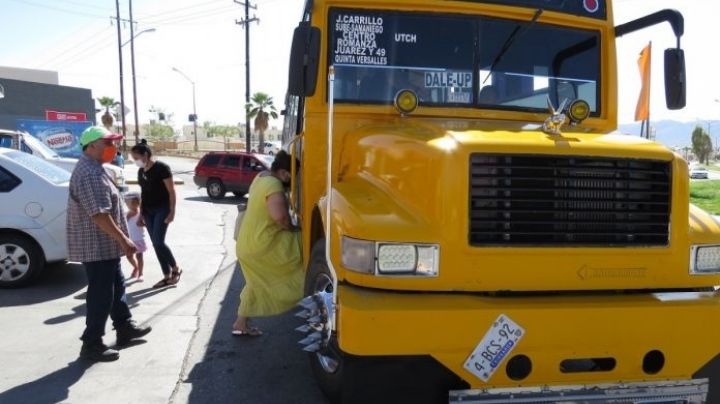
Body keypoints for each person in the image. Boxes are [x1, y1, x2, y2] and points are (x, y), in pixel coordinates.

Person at [67, 126, 151, 362]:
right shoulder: (90, 174)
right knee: (101, 295)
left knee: (117, 287)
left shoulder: (96, 168)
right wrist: (124, 239)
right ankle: (91, 343)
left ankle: (124, 327)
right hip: (97, 245)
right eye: (108, 143)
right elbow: (99, 214)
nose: (113, 148)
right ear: (92, 145)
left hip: (105, 245)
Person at [233, 150, 304, 336]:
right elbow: (280, 218)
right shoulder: (274, 184)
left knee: (255, 283)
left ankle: (241, 323)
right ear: (284, 173)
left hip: (246, 244)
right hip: (261, 245)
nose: (292, 181)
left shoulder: (261, 177)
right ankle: (314, 290)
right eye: (293, 176)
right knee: (304, 247)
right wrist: (295, 229)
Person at [130, 139, 181, 289]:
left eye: (136, 158)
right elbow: (143, 193)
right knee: (155, 244)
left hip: (162, 209)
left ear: (145, 155)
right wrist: (140, 215)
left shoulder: (162, 168)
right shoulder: (141, 171)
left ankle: (176, 269)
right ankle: (166, 276)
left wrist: (172, 212)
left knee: (159, 241)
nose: (135, 161)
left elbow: (171, 191)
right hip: (148, 211)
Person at [123, 192, 146, 281]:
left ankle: (140, 273)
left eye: (134, 203)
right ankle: (135, 267)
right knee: (129, 256)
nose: (131, 206)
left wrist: (142, 223)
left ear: (138, 203)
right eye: (129, 204)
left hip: (138, 238)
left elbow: (145, 223)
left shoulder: (141, 214)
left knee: (139, 256)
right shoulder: (126, 213)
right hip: (129, 239)